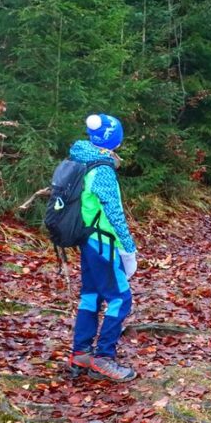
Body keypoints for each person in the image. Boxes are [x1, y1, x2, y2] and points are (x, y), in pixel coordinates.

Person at [67, 114, 139, 382]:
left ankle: (81, 354)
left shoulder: (80, 159)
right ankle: (103, 358)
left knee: (91, 296)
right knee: (121, 299)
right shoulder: (103, 170)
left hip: (87, 241)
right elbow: (115, 214)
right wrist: (129, 250)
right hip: (104, 242)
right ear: (114, 140)